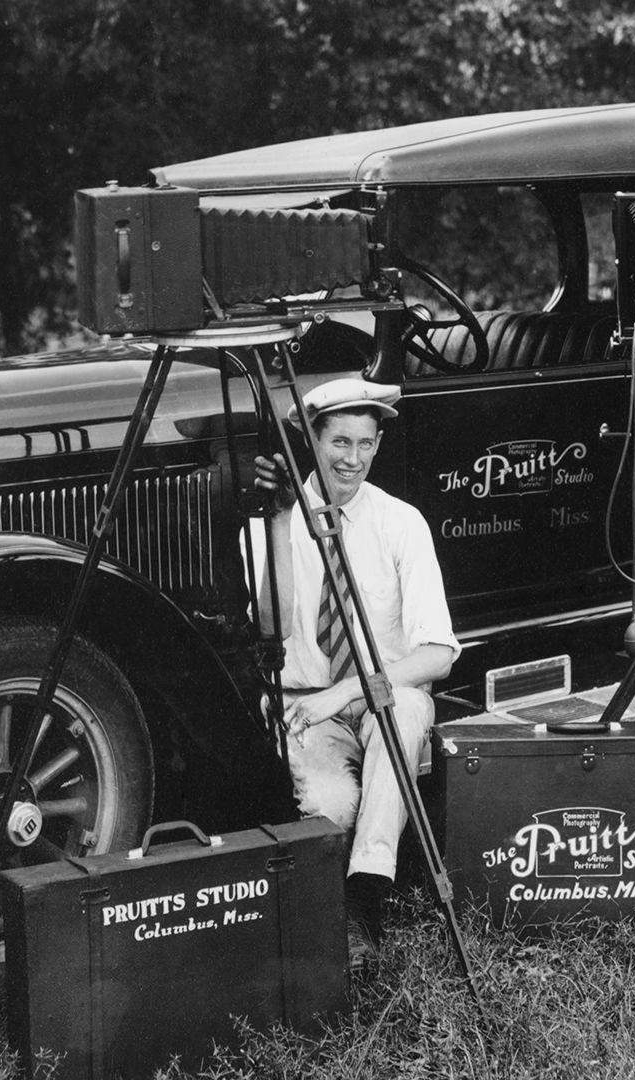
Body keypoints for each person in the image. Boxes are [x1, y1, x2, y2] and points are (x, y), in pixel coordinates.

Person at [252, 378, 458, 974]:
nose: (353, 459)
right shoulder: (274, 518)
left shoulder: (401, 522)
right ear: (311, 444)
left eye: (367, 443)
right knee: (331, 805)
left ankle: (367, 896)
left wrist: (350, 689)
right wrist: (282, 521)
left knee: (410, 709)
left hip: (377, 700)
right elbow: (273, 627)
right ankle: (325, 924)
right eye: (340, 441)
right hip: (303, 701)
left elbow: (439, 654)